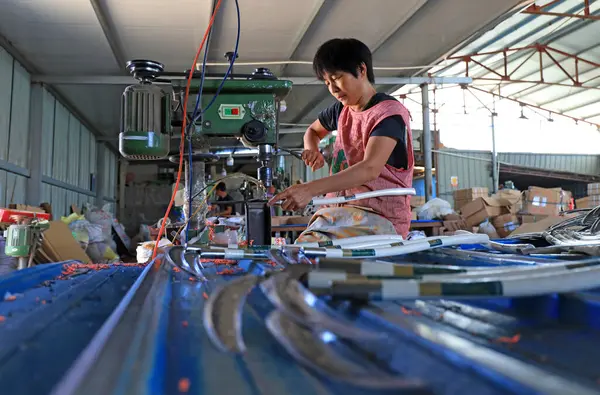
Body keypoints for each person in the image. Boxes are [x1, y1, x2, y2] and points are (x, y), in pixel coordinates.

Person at [268, 38, 414, 242]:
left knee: (311, 255)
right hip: (337, 214)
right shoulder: (341, 110)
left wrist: (309, 189)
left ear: (361, 69)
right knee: (299, 253)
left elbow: (369, 169)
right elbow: (312, 131)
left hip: (378, 219)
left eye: (337, 78)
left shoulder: (389, 114)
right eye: (327, 82)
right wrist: (312, 149)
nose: (333, 89)